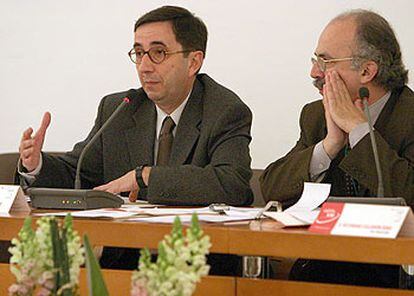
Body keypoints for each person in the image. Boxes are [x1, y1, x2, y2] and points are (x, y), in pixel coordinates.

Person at [17, 6, 253, 271]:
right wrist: (36, 164)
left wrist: (145, 176)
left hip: (199, 266)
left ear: (194, 62)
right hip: (124, 262)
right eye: (139, 53)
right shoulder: (121, 107)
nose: (144, 66)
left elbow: (231, 184)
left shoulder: (225, 110)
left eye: (158, 53)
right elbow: (80, 172)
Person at [260, 9, 413, 288]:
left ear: (367, 70)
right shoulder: (316, 115)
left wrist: (359, 130)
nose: (314, 72)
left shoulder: (410, 116)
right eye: (315, 60)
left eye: (326, 61)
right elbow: (272, 187)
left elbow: (409, 194)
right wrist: (329, 145)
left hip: (396, 275)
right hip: (323, 268)